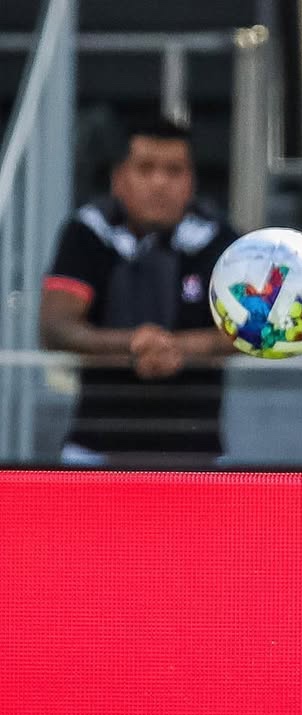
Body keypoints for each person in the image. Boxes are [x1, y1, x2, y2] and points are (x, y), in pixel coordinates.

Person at [39, 118, 237, 466]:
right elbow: (56, 327)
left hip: (199, 455)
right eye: (145, 169)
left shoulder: (221, 240)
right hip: (94, 452)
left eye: (174, 171)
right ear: (119, 178)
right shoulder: (86, 233)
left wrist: (175, 348)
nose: (160, 183)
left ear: (191, 181)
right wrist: (134, 344)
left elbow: (248, 330)